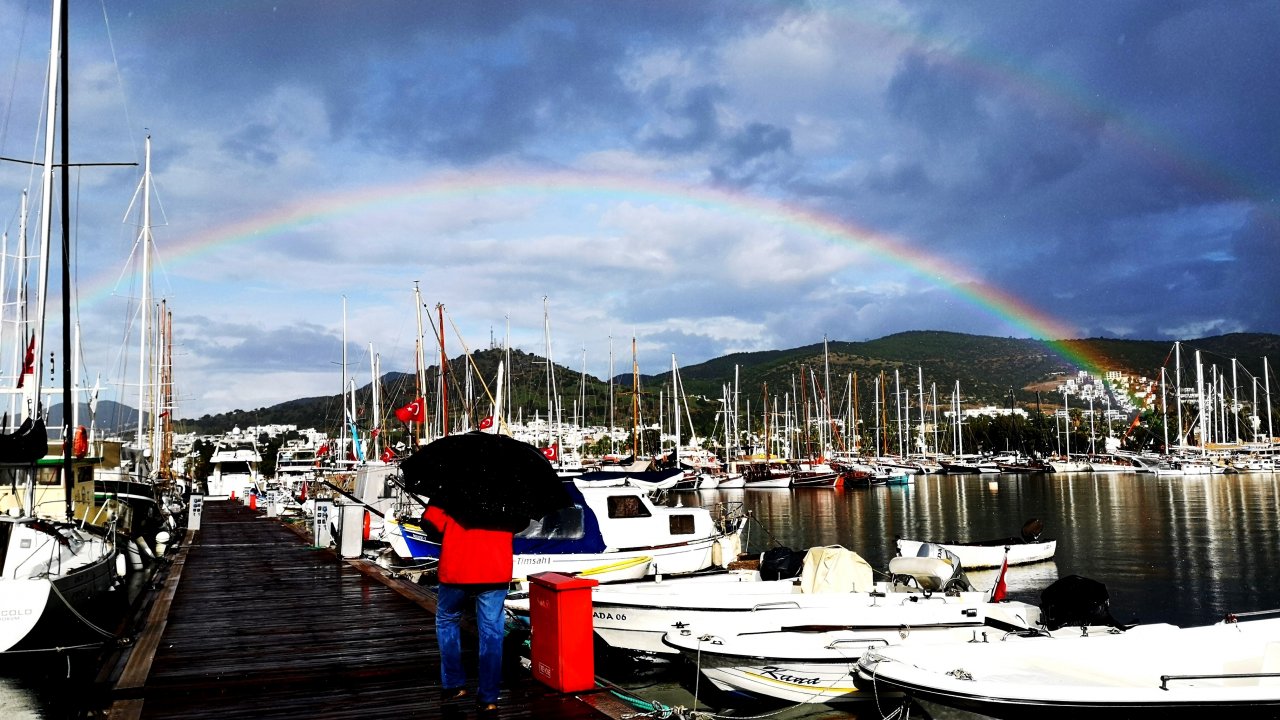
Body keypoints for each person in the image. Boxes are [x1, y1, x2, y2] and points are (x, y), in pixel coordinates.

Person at [422, 503, 514, 713]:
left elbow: (429, 523)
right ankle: (489, 697)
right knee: (492, 631)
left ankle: (454, 684)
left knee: (447, 620)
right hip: (495, 569)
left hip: (457, 567)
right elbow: (520, 524)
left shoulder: (454, 489)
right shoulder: (509, 493)